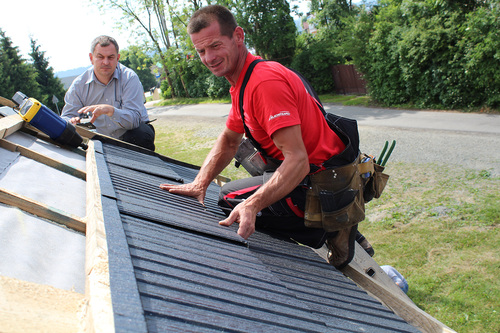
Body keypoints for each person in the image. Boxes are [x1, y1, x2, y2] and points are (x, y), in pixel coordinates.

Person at [160, 5, 372, 269]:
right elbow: (229, 140)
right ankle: (330, 216)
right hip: (320, 172)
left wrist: (252, 204)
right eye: (201, 51)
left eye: (215, 46)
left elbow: (298, 161)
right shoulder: (244, 79)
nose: (209, 57)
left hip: (322, 182)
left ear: (238, 36)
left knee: (229, 200)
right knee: (246, 150)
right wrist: (199, 183)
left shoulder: (263, 84)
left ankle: (330, 226)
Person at [61, 35, 155, 151]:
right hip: (100, 138)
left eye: (110, 57)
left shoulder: (130, 78)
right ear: (91, 58)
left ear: (117, 58)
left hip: (132, 134)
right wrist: (71, 122)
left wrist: (111, 111)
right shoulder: (79, 85)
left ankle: (145, 166)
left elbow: (135, 120)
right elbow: (65, 117)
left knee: (141, 134)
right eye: (100, 57)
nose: (105, 62)